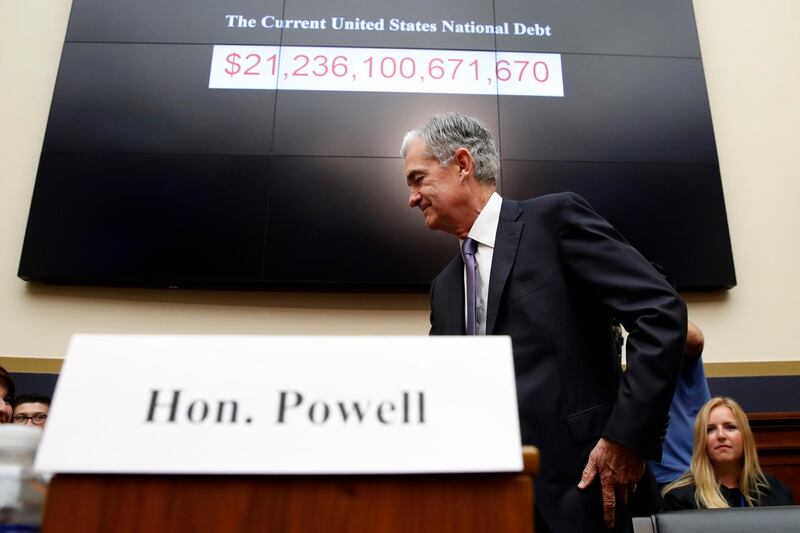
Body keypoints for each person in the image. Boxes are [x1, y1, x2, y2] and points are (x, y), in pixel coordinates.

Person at [402, 112, 687, 532]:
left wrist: (626, 439)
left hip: (587, 495)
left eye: (417, 178)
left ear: (462, 164)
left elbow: (660, 311)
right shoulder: (444, 288)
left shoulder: (554, 221)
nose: (412, 197)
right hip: (486, 505)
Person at [662, 396, 794, 509]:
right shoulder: (681, 498)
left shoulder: (774, 491)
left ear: (745, 437)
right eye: (710, 430)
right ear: (702, 441)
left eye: (730, 427)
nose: (721, 435)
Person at [650, 321, 711, 486]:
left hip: (686, 479)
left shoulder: (671, 357)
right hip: (642, 483)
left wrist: (638, 300)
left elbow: (694, 339)